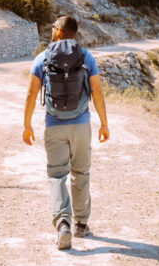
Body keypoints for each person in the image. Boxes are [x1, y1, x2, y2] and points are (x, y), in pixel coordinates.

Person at [22, 14, 109, 250]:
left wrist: (27, 124)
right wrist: (104, 123)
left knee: (57, 175)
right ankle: (81, 224)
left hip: (54, 125)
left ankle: (62, 224)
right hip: (81, 124)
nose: (51, 30)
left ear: (60, 31)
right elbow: (97, 92)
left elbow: (31, 93)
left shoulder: (43, 57)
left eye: (54, 27)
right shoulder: (86, 56)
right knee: (81, 173)